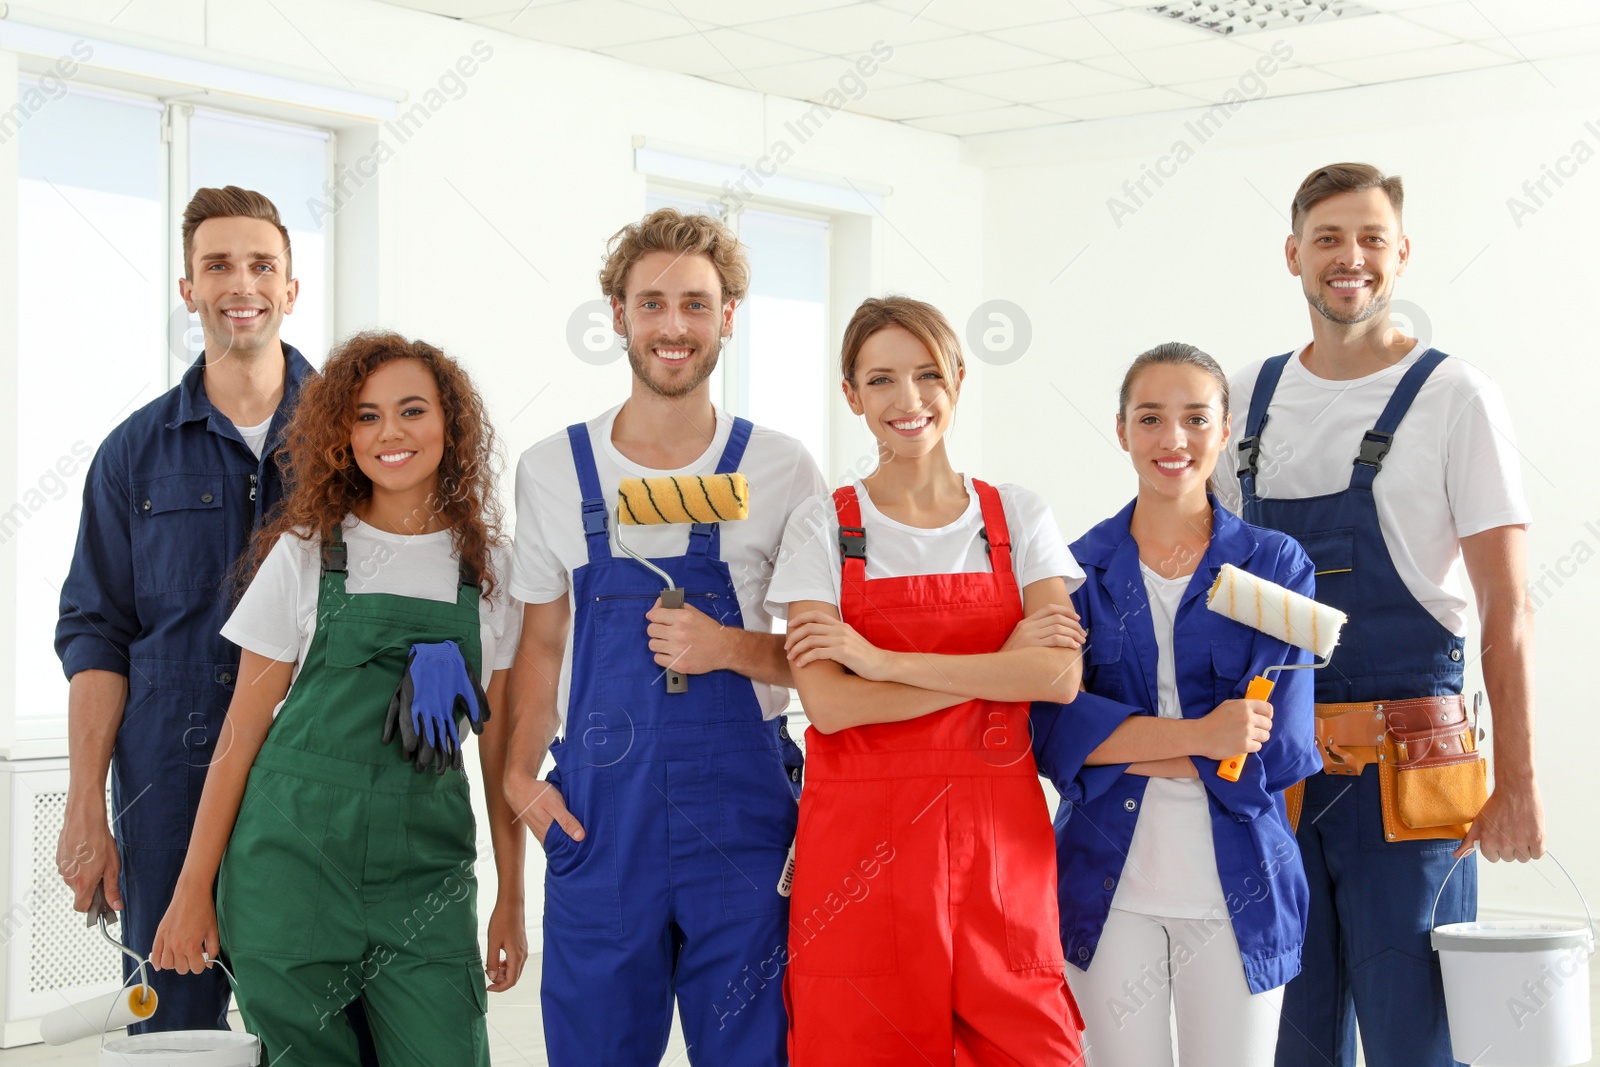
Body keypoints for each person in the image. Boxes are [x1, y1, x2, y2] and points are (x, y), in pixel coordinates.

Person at [1213, 163, 1543, 1067]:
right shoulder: (1243, 397)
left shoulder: (1455, 395)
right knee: (1290, 1037)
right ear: (1293, 254)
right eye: (1327, 238)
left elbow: (1506, 606)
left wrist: (1516, 778)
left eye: (1369, 238)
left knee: (1419, 1040)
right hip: (1276, 779)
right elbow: (1202, 585)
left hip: (1416, 781)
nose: (1347, 257)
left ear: (1401, 254)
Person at [501, 208, 826, 1066]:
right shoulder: (551, 469)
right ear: (618, 315)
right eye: (651, 303)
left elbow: (829, 659)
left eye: (694, 303)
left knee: (757, 1053)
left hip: (746, 819)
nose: (672, 325)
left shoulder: (782, 468)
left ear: (727, 317)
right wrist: (514, 779)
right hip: (603, 819)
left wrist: (728, 646)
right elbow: (538, 646)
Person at [149, 332, 527, 1066]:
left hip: (425, 877)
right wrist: (192, 886)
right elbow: (240, 733)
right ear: (340, 435)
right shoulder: (307, 551)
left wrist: (512, 894)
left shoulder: (491, 572)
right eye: (366, 416)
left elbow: (502, 756)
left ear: (450, 425)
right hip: (289, 868)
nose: (390, 432)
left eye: (412, 410)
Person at [770, 295, 1086, 1064]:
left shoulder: (1016, 516)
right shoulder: (824, 526)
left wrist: (883, 661)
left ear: (958, 379)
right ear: (851, 395)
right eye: (880, 380)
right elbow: (832, 705)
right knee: (858, 1042)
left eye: (926, 375)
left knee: (1031, 1043)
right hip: (860, 852)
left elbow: (1059, 675)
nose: (907, 401)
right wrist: (998, 671)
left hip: (997, 843)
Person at [54, 186, 314, 1033]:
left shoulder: (354, 438)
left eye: (260, 264)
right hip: (168, 779)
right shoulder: (133, 451)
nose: (241, 283)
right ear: (189, 289)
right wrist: (87, 802)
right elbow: (98, 631)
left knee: (320, 1029)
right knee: (175, 1027)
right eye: (218, 266)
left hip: (317, 770)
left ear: (290, 286)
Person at [1039, 343, 1320, 1067]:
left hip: (1241, 893)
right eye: (1151, 417)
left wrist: (1120, 744)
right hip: (1105, 889)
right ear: (1122, 428)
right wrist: (1205, 733)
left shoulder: (1278, 566)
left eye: (1196, 417)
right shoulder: (1075, 572)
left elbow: (1276, 750)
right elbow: (1056, 738)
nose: (1174, 439)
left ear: (1224, 430)